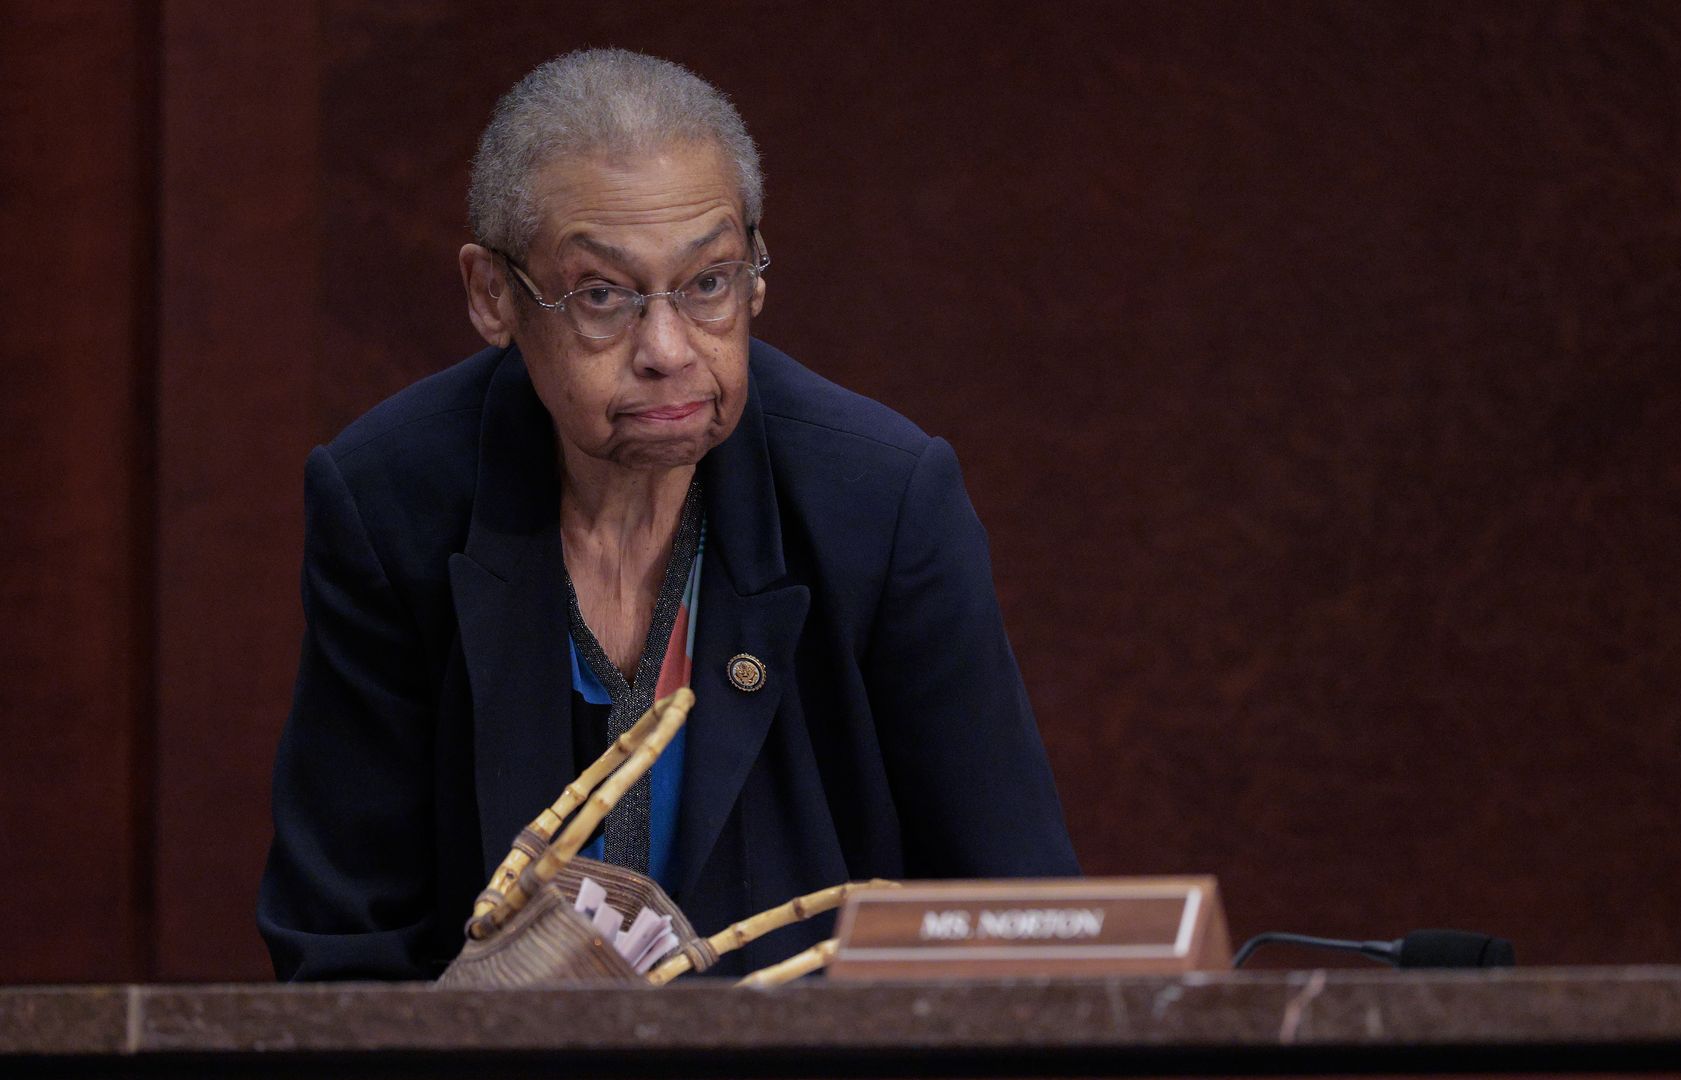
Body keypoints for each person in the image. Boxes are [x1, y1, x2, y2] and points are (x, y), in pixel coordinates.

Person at [257, 48, 1077, 981]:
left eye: (708, 283)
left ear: (755, 276)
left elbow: (1019, 919)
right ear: (492, 296)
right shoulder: (392, 503)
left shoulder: (881, 505)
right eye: (602, 295)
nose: (667, 348)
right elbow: (341, 944)